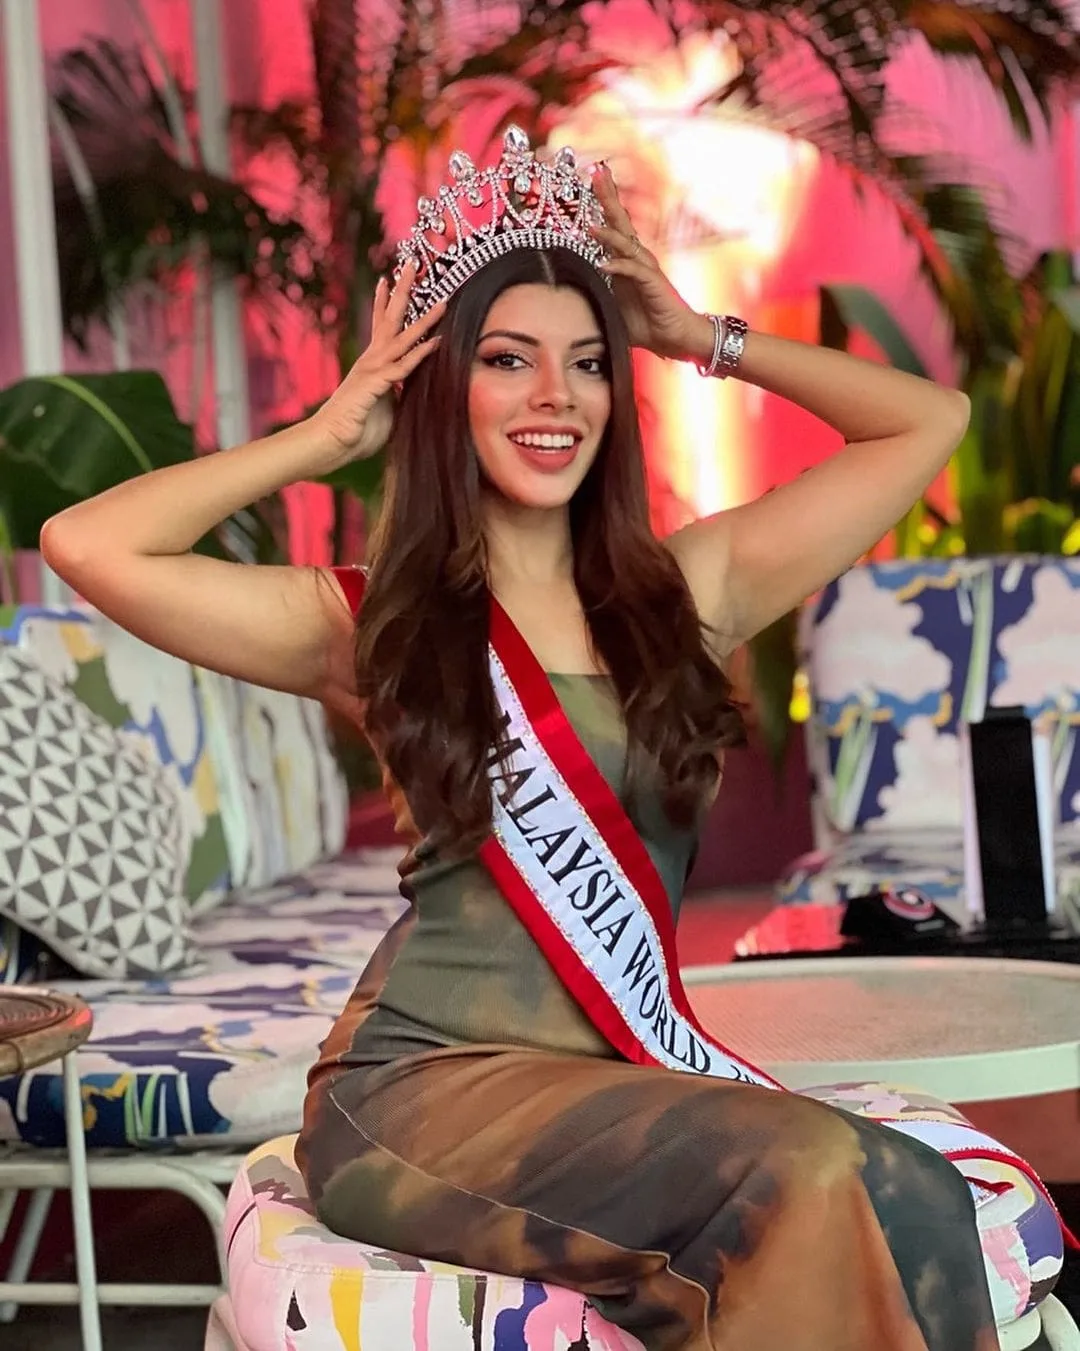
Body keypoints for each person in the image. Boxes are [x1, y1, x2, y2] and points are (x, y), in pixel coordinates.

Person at [42, 127, 1006, 1351]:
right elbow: (86, 544)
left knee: (907, 1188)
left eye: (588, 363)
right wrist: (330, 434)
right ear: (448, 387)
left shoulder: (686, 593)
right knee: (809, 1168)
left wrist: (693, 333)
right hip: (419, 1089)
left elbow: (929, 421)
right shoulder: (375, 620)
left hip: (610, 1084)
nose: (556, 395)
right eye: (508, 359)